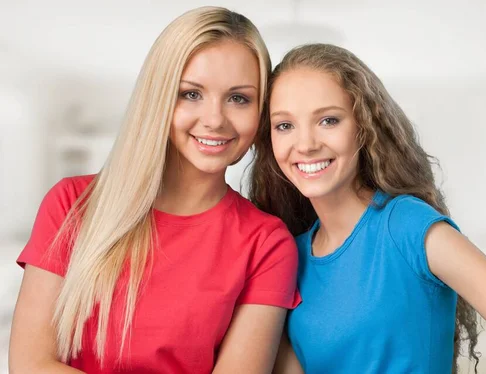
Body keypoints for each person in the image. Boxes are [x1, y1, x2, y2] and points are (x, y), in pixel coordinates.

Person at [250, 43, 486, 373]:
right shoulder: (288, 255)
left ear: (364, 128)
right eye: (285, 126)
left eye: (329, 120)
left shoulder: (407, 227)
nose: (306, 144)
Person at [9, 7, 300, 374]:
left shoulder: (267, 244)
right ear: (158, 96)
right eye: (191, 94)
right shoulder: (72, 204)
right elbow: (29, 364)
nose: (214, 119)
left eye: (238, 98)